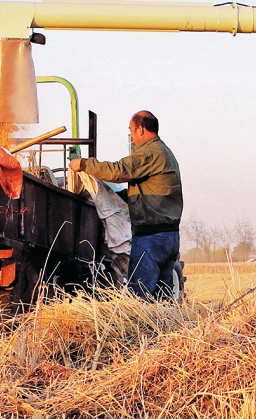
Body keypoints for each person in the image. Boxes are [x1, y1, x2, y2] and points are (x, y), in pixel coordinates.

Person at [69, 110, 183, 299]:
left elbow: (119, 170)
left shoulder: (149, 153)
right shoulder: (164, 152)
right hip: (169, 236)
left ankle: (140, 329)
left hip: (151, 237)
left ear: (140, 129)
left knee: (140, 295)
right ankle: (166, 327)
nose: (131, 136)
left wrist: (84, 165)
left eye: (131, 131)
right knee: (163, 297)